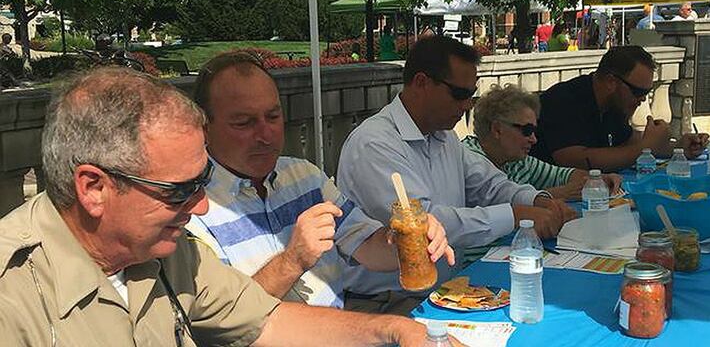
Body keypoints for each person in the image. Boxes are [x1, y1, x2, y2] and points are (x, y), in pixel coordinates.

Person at [0, 67, 431, 347]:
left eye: (203, 181)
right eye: (179, 190)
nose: (203, 205)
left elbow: (267, 320)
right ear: (93, 188)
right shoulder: (12, 290)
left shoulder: (167, 250)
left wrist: (393, 330)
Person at [186, 52, 453, 312]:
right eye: (244, 123)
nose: (265, 134)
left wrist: (407, 238)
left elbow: (369, 248)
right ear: (204, 128)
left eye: (273, 116)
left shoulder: (304, 176)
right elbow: (221, 322)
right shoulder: (191, 209)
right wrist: (292, 261)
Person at [336, 36, 576, 314]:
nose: (467, 106)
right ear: (421, 83)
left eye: (471, 96)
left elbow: (490, 184)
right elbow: (430, 225)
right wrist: (516, 215)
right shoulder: (374, 144)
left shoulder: (443, 135)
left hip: (443, 290)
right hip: (386, 302)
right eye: (459, 95)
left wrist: (538, 201)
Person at [531, 46, 709, 172]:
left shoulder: (614, 105)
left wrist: (677, 148)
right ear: (611, 82)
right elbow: (572, 159)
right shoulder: (565, 100)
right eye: (638, 91)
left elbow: (629, 142)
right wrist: (645, 148)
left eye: (646, 92)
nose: (643, 99)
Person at [463, 84, 622, 199]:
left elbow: (561, 175)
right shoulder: (470, 160)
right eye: (527, 131)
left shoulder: (517, 161)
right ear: (497, 130)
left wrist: (598, 180)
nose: (533, 139)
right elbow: (495, 205)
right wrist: (556, 194)